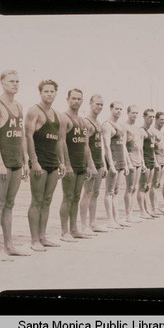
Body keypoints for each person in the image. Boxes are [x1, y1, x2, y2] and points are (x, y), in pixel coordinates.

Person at [0, 69, 30, 261]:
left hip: (16, 161)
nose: (15, 84)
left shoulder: (19, 106)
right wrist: (0, 163)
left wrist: (25, 159)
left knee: (10, 204)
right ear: (2, 83)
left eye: (18, 81)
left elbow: (21, 136)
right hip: (1, 163)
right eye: (11, 81)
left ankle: (9, 245)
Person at [25, 79, 66, 252]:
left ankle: (43, 236)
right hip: (39, 162)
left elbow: (58, 141)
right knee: (37, 200)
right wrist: (33, 161)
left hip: (52, 162)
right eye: (46, 91)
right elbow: (27, 136)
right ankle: (34, 240)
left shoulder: (57, 115)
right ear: (40, 93)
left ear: (56, 93)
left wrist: (62, 161)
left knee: (47, 200)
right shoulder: (34, 111)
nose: (49, 94)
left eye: (52, 91)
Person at [59, 88, 96, 242]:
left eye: (79, 99)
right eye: (73, 98)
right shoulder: (64, 118)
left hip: (81, 164)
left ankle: (74, 229)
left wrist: (89, 165)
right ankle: (64, 231)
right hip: (70, 164)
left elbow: (86, 145)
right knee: (67, 197)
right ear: (68, 99)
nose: (76, 101)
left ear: (82, 101)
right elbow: (61, 142)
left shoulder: (82, 121)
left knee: (76, 197)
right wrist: (66, 164)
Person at [79, 95, 109, 234]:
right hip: (89, 163)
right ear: (90, 104)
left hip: (98, 161)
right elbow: (85, 146)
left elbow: (99, 145)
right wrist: (90, 165)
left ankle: (93, 223)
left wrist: (102, 163)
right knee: (88, 192)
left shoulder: (98, 123)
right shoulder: (86, 122)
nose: (99, 107)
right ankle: (84, 225)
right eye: (97, 104)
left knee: (95, 193)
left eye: (102, 105)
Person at [102, 101, 130, 229]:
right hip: (112, 161)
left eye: (120, 109)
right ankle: (109, 220)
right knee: (109, 191)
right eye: (116, 109)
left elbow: (123, 145)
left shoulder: (122, 126)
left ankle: (117, 218)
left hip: (120, 161)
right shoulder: (107, 125)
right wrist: (111, 165)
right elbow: (106, 146)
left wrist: (126, 163)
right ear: (111, 109)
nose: (119, 111)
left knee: (117, 191)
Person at [123, 105, 146, 223]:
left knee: (135, 187)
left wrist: (143, 161)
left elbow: (140, 147)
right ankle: (128, 214)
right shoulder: (125, 127)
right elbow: (123, 146)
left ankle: (131, 213)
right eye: (133, 113)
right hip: (131, 159)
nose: (135, 115)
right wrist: (128, 163)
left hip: (138, 159)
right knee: (130, 187)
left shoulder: (138, 129)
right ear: (128, 113)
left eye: (137, 113)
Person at [137, 108, 159, 219]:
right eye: (149, 116)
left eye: (153, 117)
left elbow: (153, 149)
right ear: (144, 117)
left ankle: (147, 210)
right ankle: (142, 211)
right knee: (142, 187)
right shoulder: (141, 131)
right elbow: (139, 149)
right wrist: (142, 163)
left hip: (151, 161)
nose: (152, 119)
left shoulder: (151, 132)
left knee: (148, 187)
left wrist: (155, 162)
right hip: (145, 161)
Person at [150, 111, 164, 215]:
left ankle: (156, 207)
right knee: (153, 184)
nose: (163, 121)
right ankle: (153, 208)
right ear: (156, 119)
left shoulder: (163, 132)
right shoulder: (153, 131)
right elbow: (151, 148)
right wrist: (155, 162)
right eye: (161, 119)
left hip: (162, 158)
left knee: (158, 184)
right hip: (156, 158)